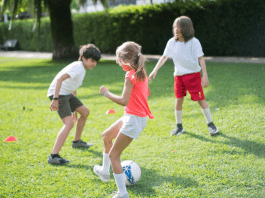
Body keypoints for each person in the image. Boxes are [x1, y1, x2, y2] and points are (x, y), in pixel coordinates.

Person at [93, 41, 154, 198]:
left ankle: (122, 193)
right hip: (133, 117)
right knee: (106, 136)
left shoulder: (130, 76)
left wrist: (106, 93)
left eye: (120, 61)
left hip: (133, 119)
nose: (119, 64)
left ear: (126, 60)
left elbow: (123, 101)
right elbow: (147, 93)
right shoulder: (141, 73)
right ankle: (105, 172)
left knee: (114, 155)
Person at [149, 16, 218, 137]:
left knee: (200, 100)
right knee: (178, 100)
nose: (176, 29)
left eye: (179, 27)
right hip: (179, 77)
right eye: (174, 27)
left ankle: (211, 125)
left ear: (186, 28)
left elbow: (201, 59)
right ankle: (179, 127)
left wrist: (205, 76)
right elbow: (164, 57)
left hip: (193, 76)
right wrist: (155, 70)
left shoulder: (194, 42)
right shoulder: (171, 42)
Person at [47, 44, 101, 165]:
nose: (94, 63)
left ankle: (76, 142)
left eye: (96, 61)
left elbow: (73, 87)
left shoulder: (82, 69)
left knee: (85, 112)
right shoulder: (78, 67)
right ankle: (53, 156)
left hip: (67, 93)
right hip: (59, 93)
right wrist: (55, 98)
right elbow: (60, 79)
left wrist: (75, 109)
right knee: (69, 123)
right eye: (92, 60)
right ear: (83, 58)